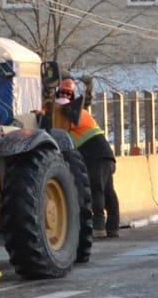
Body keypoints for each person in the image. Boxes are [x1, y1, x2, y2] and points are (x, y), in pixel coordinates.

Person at [49, 77, 121, 237]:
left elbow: (59, 108)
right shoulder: (80, 112)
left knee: (97, 190)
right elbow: (81, 103)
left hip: (95, 156)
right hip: (106, 155)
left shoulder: (65, 111)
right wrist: (88, 88)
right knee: (108, 191)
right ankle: (113, 227)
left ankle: (99, 227)